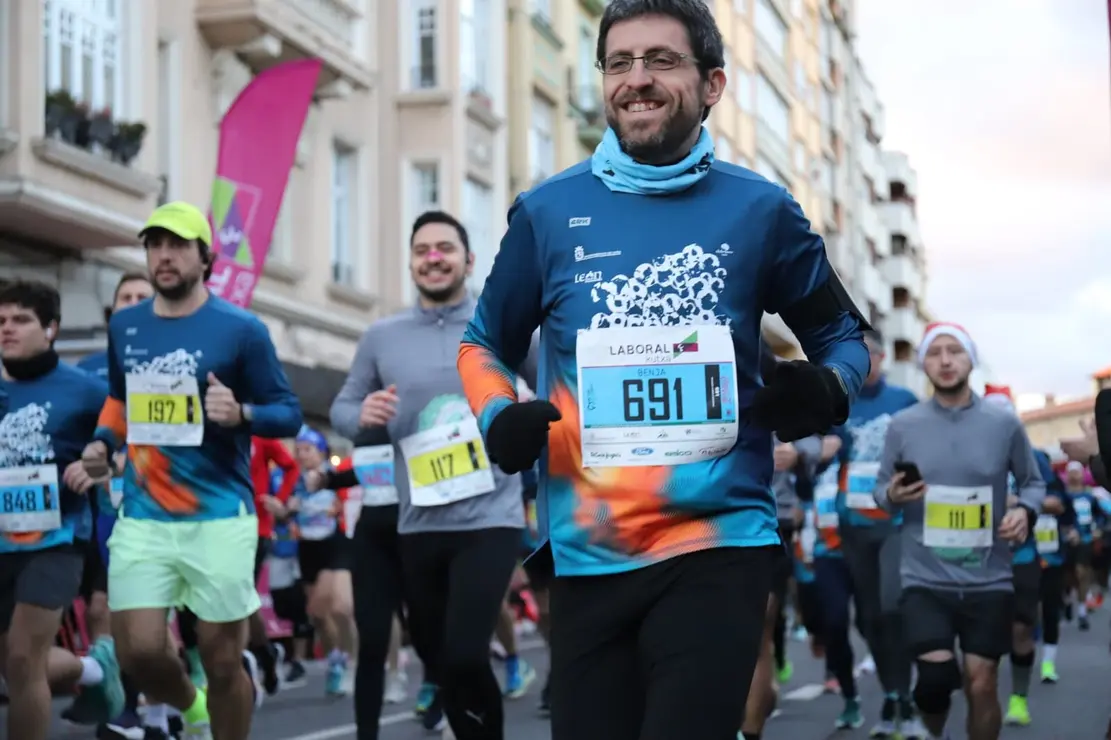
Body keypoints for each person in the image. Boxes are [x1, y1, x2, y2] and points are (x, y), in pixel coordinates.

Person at [454, 2, 871, 738]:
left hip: (719, 538)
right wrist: (498, 413)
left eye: (660, 61)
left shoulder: (762, 210)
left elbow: (841, 336)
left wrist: (827, 385)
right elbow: (482, 343)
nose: (636, 80)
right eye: (619, 63)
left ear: (711, 83)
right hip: (589, 552)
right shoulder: (547, 213)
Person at [81, 201, 303, 740]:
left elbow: (288, 413)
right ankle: (193, 706)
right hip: (144, 512)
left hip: (219, 516)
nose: (164, 256)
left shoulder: (241, 330)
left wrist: (243, 413)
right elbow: (119, 398)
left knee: (222, 657)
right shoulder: (127, 326)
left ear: (205, 257)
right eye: (155, 245)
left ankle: (219, 713)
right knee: (135, 649)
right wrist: (103, 440)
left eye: (178, 245)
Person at [331, 209, 537, 740]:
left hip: (492, 515)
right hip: (418, 523)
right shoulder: (383, 336)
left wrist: (533, 405)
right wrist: (363, 415)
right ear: (411, 263)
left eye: (444, 249)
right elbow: (343, 409)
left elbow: (560, 392)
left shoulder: (504, 328)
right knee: (444, 662)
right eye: (422, 251)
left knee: (467, 653)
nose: (433, 258)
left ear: (469, 261)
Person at [875, 322, 1043, 740]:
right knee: (934, 685)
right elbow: (881, 492)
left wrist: (1026, 512)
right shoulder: (902, 425)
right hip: (924, 578)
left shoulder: (1003, 424)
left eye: (955, 351)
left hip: (989, 579)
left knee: (982, 682)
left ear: (971, 359)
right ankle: (935, 732)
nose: (946, 361)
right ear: (922, 364)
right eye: (935, 352)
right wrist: (893, 494)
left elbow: (1033, 482)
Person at [0, 279, 126, 740]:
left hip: (57, 540)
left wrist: (98, 464)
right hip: (1, 538)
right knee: (12, 667)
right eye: (0, 321)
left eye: (20, 320)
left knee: (22, 659)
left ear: (51, 328)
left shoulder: (86, 391)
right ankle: (94, 669)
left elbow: (119, 447)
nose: (7, 329)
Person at [66, 271, 155, 736]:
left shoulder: (177, 363)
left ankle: (158, 695)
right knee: (102, 607)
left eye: (145, 296)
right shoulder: (87, 372)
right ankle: (119, 699)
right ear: (113, 310)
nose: (135, 303)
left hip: (168, 510)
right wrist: (108, 470)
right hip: (105, 512)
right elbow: (77, 449)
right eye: (127, 297)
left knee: (148, 618)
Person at [832, 329, 923, 738]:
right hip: (853, 525)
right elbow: (824, 448)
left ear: (882, 357)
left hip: (894, 523)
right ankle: (891, 693)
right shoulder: (840, 400)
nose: (863, 361)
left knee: (891, 608)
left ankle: (907, 693)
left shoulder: (904, 402)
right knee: (868, 619)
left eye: (868, 353)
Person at [248, 435, 300, 695]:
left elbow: (291, 466)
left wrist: (278, 499)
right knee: (232, 598)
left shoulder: (258, 430)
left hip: (257, 528)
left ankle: (253, 657)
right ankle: (264, 653)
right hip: (216, 525)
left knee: (239, 594)